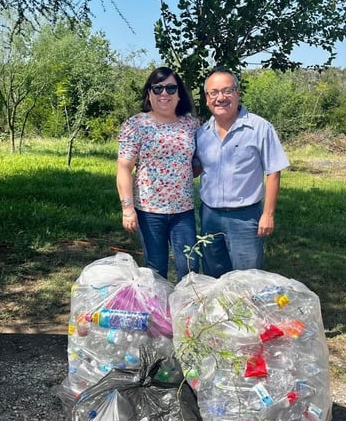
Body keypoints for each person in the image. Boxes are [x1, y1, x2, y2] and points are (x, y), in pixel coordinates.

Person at [194, 68, 289, 277]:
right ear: (207, 98)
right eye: (214, 92)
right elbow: (196, 169)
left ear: (237, 93)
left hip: (245, 218)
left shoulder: (260, 128)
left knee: (247, 279)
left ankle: (246, 310)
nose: (221, 97)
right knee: (212, 276)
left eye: (227, 90)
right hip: (210, 215)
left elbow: (274, 172)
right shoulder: (201, 134)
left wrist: (268, 214)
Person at [116, 66, 199, 281]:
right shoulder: (136, 125)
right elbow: (124, 167)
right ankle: (158, 313)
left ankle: (187, 313)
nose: (164, 94)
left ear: (179, 94)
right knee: (155, 270)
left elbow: (198, 161)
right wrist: (127, 208)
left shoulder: (191, 124)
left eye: (171, 88)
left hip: (184, 210)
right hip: (149, 211)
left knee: (190, 267)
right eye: (158, 88)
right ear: (149, 94)